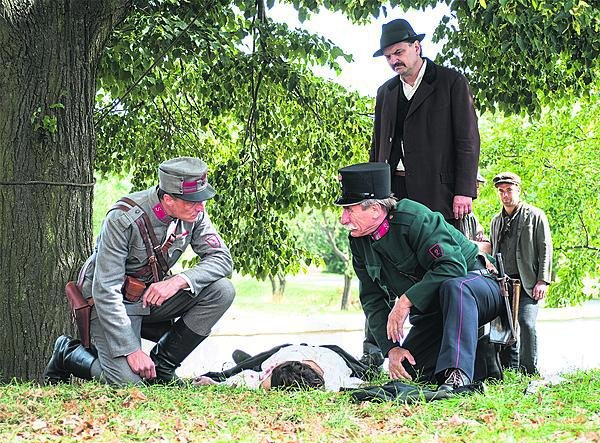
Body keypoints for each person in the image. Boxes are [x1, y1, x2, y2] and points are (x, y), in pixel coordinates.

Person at [43, 157, 235, 385]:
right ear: (168, 199)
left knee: (222, 290)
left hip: (147, 297)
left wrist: (178, 281)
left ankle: (162, 367)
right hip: (109, 302)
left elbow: (222, 258)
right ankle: (67, 354)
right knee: (129, 383)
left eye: (201, 200)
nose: (200, 207)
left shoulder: (193, 215)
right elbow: (105, 289)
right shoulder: (122, 219)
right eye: (192, 201)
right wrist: (131, 349)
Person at [362, 18, 481, 367]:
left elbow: (467, 140)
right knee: (380, 268)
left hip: (440, 193)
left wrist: (464, 190)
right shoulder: (386, 92)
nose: (394, 60)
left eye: (399, 52)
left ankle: (455, 357)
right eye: (388, 56)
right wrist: (370, 192)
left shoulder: (449, 82)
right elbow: (377, 148)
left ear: (417, 47)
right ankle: (381, 351)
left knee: (449, 270)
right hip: (393, 195)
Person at [336, 162, 503, 391]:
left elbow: (452, 265)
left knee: (455, 287)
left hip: (478, 286)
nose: (344, 219)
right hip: (436, 309)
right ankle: (482, 357)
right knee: (410, 371)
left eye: (349, 210)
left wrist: (405, 301)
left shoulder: (413, 217)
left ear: (375, 209)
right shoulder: (358, 241)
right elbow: (372, 298)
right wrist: (391, 348)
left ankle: (458, 374)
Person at [490, 172, 552, 375]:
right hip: (503, 284)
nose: (505, 195)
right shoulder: (496, 221)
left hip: (527, 282)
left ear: (518, 190)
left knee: (526, 324)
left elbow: (545, 248)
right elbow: (493, 251)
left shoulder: (535, 215)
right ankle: (507, 371)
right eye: (501, 191)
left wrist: (542, 280)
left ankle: (529, 372)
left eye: (509, 190)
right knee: (503, 327)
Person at [194, 344, 369, 392]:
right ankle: (247, 361)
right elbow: (247, 377)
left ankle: (372, 361)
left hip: (330, 354)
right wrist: (214, 382)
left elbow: (360, 384)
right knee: (256, 365)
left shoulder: (333, 381)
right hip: (289, 351)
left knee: (361, 370)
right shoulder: (278, 364)